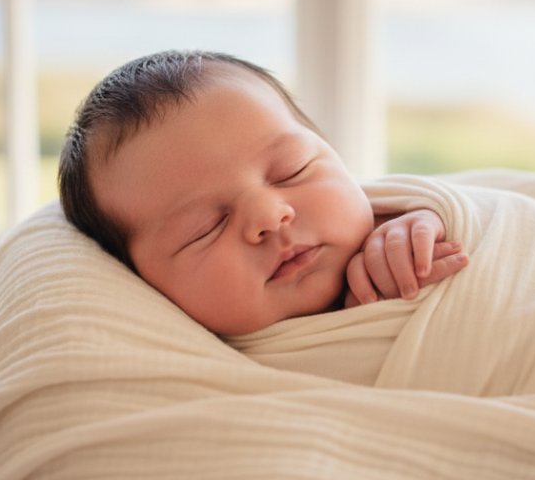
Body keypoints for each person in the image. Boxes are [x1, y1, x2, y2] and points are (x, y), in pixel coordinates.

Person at [58, 50, 469, 336]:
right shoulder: (198, 367)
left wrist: (418, 226)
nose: (270, 217)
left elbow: (482, 219)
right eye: (205, 228)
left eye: (292, 170)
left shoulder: (410, 223)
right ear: (138, 280)